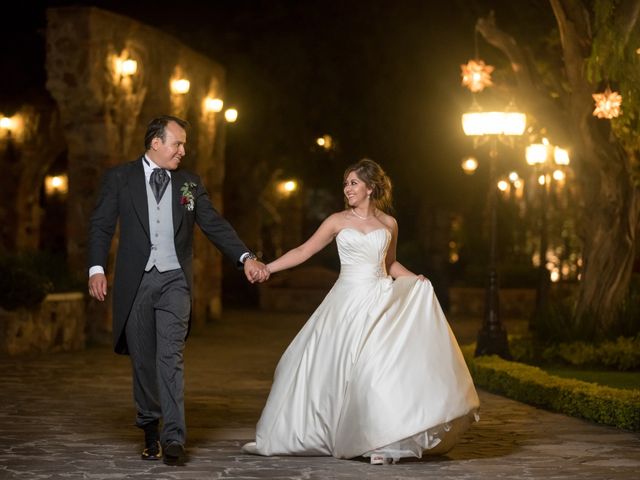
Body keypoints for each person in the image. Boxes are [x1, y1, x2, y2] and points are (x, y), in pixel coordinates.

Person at [242, 159, 479, 464]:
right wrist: (267, 269)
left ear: (371, 187)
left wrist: (415, 279)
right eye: (345, 183)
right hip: (346, 301)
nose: (347, 189)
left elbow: (390, 264)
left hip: (380, 300)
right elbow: (304, 251)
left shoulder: (389, 224)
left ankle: (378, 438)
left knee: (377, 369)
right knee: (340, 369)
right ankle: (339, 431)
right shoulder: (337, 220)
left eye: (353, 183)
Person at [87, 115, 269, 465]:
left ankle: (173, 437)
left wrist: (245, 257)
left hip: (174, 281)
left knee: (169, 357)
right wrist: (96, 268)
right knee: (143, 360)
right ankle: (150, 430)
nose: (183, 151)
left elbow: (214, 224)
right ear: (156, 142)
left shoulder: (190, 184)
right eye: (177, 143)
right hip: (136, 281)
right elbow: (100, 225)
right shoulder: (120, 178)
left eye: (184, 145)